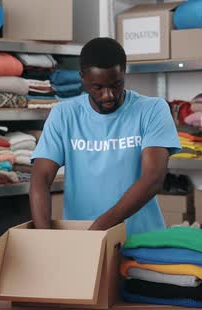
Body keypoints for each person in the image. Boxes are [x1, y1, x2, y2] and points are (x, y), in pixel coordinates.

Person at [29, 37, 181, 235]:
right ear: (82, 77)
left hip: (141, 240)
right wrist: (43, 238)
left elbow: (153, 178)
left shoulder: (152, 109)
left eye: (116, 84)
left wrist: (98, 229)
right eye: (98, 87)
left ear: (124, 74)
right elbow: (41, 178)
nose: (108, 95)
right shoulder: (64, 114)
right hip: (82, 241)